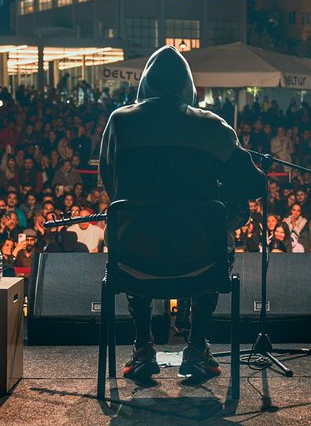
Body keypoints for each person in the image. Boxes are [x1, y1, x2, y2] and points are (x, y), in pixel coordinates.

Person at [99, 46, 265, 382]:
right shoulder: (213, 127)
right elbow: (254, 186)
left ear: (145, 84)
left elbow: (110, 181)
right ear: (188, 86)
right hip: (199, 263)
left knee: (137, 233)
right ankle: (197, 347)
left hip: (135, 261)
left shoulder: (120, 121)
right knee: (218, 235)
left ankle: (143, 348)